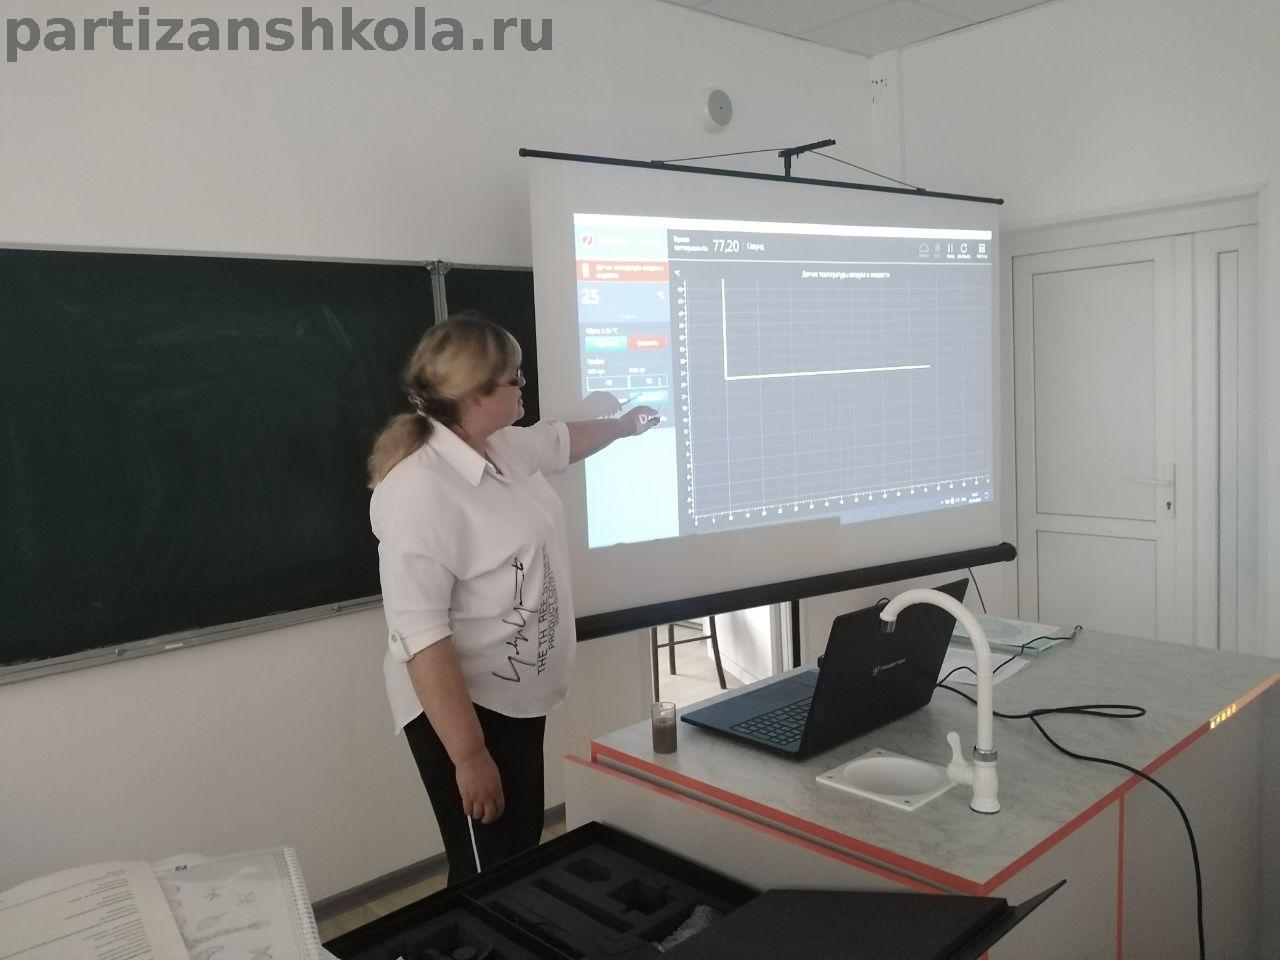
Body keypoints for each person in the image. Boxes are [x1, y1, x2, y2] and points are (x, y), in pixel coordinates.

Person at [366, 313, 658, 884]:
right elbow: (420, 638)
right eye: (514, 378)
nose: (525, 385)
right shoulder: (420, 490)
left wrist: (625, 426)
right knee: (488, 871)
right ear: (475, 394)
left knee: (517, 851)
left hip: (515, 698)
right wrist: (470, 757)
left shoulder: (498, 446)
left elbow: (563, 439)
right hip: (465, 711)